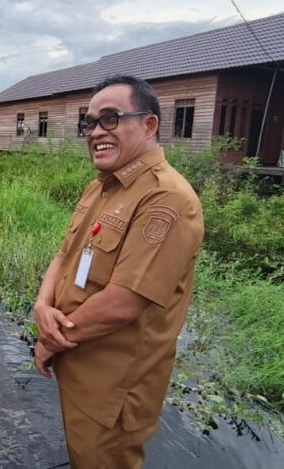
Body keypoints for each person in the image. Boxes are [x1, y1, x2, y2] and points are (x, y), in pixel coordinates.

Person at [33, 75, 204, 468]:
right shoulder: (101, 187)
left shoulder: (166, 197)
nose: (96, 132)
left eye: (110, 118)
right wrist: (42, 306)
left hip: (112, 387)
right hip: (77, 363)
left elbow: (124, 302)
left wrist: (49, 342)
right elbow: (64, 255)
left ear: (149, 124)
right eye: (90, 123)